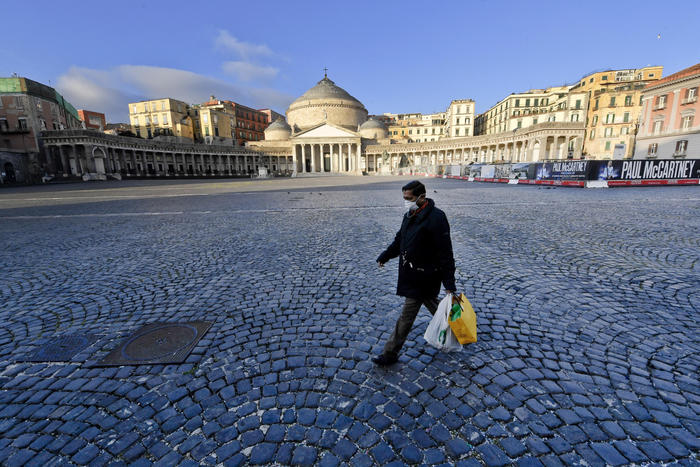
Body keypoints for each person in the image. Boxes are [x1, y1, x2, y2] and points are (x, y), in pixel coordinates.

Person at [373, 180, 456, 365]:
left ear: (422, 197)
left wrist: (449, 284)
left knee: (406, 316)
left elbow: (446, 253)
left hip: (425, 276)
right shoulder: (409, 214)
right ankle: (458, 329)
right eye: (404, 198)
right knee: (436, 307)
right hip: (411, 274)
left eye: (409, 198)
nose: (406, 201)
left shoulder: (437, 218)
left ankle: (390, 353)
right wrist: (385, 256)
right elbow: (399, 239)